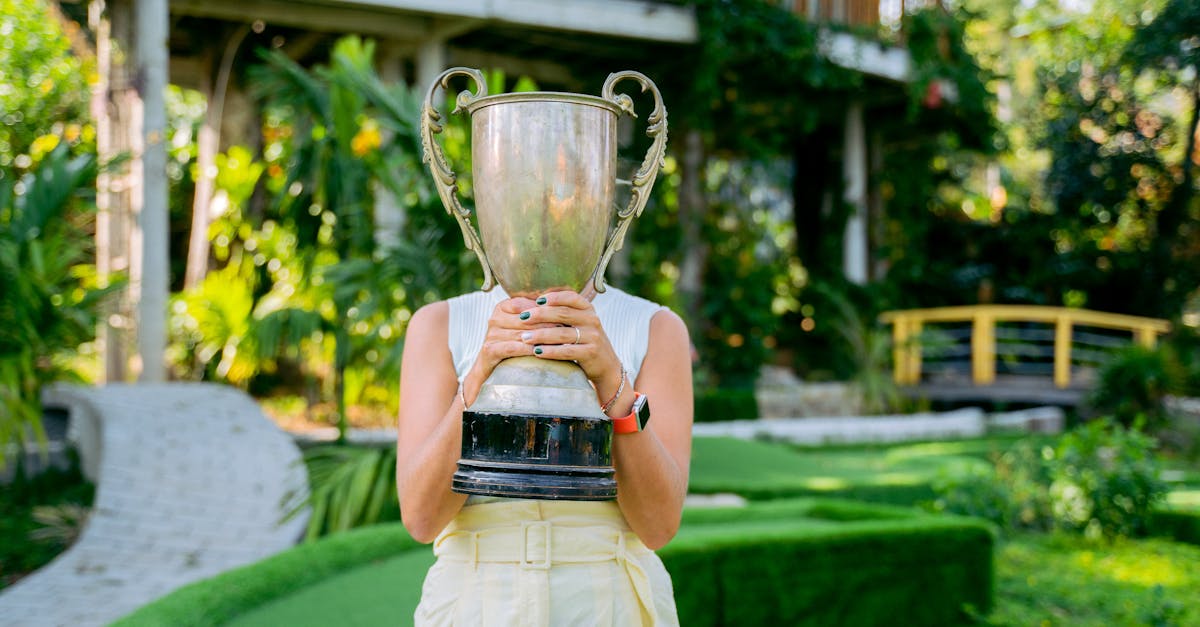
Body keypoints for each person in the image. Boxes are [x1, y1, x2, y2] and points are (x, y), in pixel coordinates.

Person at [397, 284, 693, 626]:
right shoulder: (438, 323)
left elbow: (658, 526)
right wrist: (480, 374)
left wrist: (614, 381)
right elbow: (421, 519)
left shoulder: (655, 326)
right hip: (473, 601)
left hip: (612, 602)